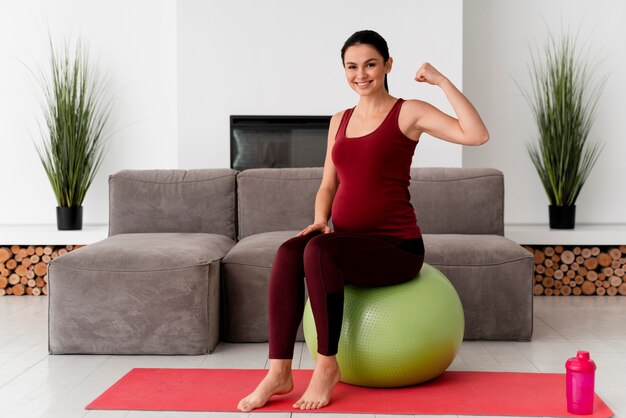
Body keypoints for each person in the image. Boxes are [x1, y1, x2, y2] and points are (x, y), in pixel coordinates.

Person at [237, 29, 489, 412]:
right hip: (345, 245)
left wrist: (441, 81)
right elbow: (327, 185)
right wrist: (322, 219)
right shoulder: (339, 120)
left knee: (320, 251)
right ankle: (279, 371)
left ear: (388, 65)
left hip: (396, 247)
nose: (361, 74)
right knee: (290, 251)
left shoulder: (409, 112)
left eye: (370, 64)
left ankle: (325, 367)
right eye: (352, 66)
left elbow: (476, 134)